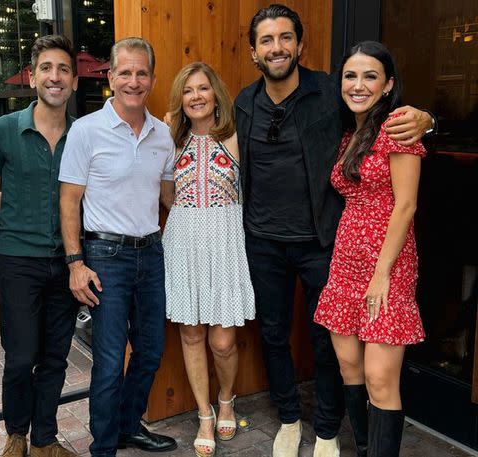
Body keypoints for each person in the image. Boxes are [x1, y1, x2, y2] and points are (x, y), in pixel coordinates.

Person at [235, 5, 435, 457]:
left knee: (328, 343)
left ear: (300, 45)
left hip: (322, 242)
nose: (277, 47)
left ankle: (327, 429)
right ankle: (289, 418)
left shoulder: (332, 91)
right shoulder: (245, 102)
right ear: (254, 52)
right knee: (274, 334)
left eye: (286, 38)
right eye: (266, 40)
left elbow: (391, 124)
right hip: (264, 241)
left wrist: (427, 117)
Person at [58, 37, 177, 457]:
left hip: (152, 251)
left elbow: (168, 198)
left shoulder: (163, 135)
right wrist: (75, 263)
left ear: (152, 78)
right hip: (105, 257)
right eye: (124, 72)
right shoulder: (86, 130)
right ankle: (104, 447)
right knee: (109, 361)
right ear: (111, 77)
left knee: (150, 352)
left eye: (141, 73)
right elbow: (69, 200)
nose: (133, 80)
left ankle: (130, 428)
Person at [313, 41, 425, 457]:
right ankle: (363, 448)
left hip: (387, 262)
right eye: (350, 75)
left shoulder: (398, 126)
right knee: (350, 366)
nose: (358, 85)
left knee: (381, 378)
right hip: (346, 260)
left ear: (388, 84)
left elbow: (406, 204)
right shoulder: (351, 132)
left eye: (370, 76)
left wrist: (382, 273)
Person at [0, 35, 79, 457]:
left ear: (73, 81)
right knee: (20, 356)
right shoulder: (3, 131)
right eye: (46, 68)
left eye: (62, 70)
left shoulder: (84, 134)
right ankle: (16, 434)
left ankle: (45, 439)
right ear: (33, 76)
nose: (54, 77)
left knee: (56, 357)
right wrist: (15, 202)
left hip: (69, 260)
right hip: (19, 260)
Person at [162, 62, 255, 457]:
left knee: (222, 340)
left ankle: (227, 398)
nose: (196, 96)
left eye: (203, 88)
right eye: (188, 90)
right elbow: (166, 194)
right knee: (191, 333)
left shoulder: (235, 135)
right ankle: (204, 413)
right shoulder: (172, 138)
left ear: (216, 93)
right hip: (183, 239)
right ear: (180, 100)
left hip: (225, 241)